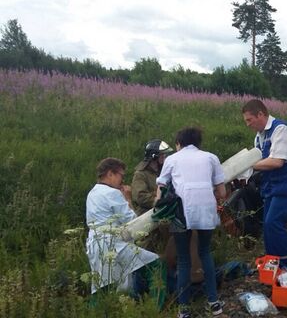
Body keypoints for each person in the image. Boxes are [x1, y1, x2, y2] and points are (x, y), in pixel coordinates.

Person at [156, 127, 227, 318]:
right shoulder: (211, 158)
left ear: (179, 143)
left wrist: (159, 208)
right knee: (205, 253)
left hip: (180, 214)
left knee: (184, 259)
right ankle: (214, 303)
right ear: (198, 143)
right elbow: (222, 193)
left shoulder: (172, 159)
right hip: (206, 212)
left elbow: (161, 190)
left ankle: (184, 308)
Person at [242, 99, 287, 270]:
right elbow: (260, 159)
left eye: (249, 120)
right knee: (268, 225)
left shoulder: (280, 130)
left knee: (274, 223)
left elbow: (277, 161)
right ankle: (274, 265)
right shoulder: (260, 135)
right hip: (271, 187)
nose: (248, 124)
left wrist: (247, 166)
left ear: (261, 114)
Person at [85, 158, 159, 295]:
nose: (122, 181)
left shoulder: (92, 193)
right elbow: (132, 222)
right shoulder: (113, 193)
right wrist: (128, 198)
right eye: (121, 176)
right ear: (110, 174)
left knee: (103, 285)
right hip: (114, 243)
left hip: (95, 244)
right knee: (155, 263)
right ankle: (156, 305)